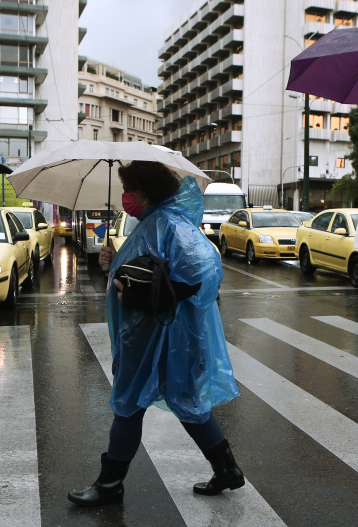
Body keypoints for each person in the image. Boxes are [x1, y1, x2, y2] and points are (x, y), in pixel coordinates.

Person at [68, 161, 243, 507]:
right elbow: (153, 270)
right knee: (186, 402)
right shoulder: (160, 223)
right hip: (169, 335)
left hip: (155, 335)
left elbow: (201, 271)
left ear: (144, 193)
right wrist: (118, 261)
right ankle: (228, 470)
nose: (125, 197)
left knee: (129, 403)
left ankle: (109, 484)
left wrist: (139, 294)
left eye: (128, 190)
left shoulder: (165, 224)